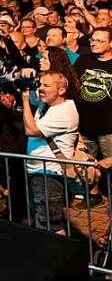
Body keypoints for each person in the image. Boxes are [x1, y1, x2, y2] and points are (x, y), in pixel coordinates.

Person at [22, 72, 79, 235]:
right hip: (39, 171)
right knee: (43, 219)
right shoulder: (47, 105)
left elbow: (31, 130)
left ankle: (60, 257)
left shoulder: (64, 111)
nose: (40, 89)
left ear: (61, 90)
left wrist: (25, 101)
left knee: (52, 224)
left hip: (49, 173)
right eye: (40, 84)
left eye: (46, 86)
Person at [73, 27, 112, 161]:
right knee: (87, 170)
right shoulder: (83, 60)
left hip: (108, 129)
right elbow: (73, 86)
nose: (93, 43)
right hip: (84, 127)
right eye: (92, 40)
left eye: (99, 41)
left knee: (109, 168)